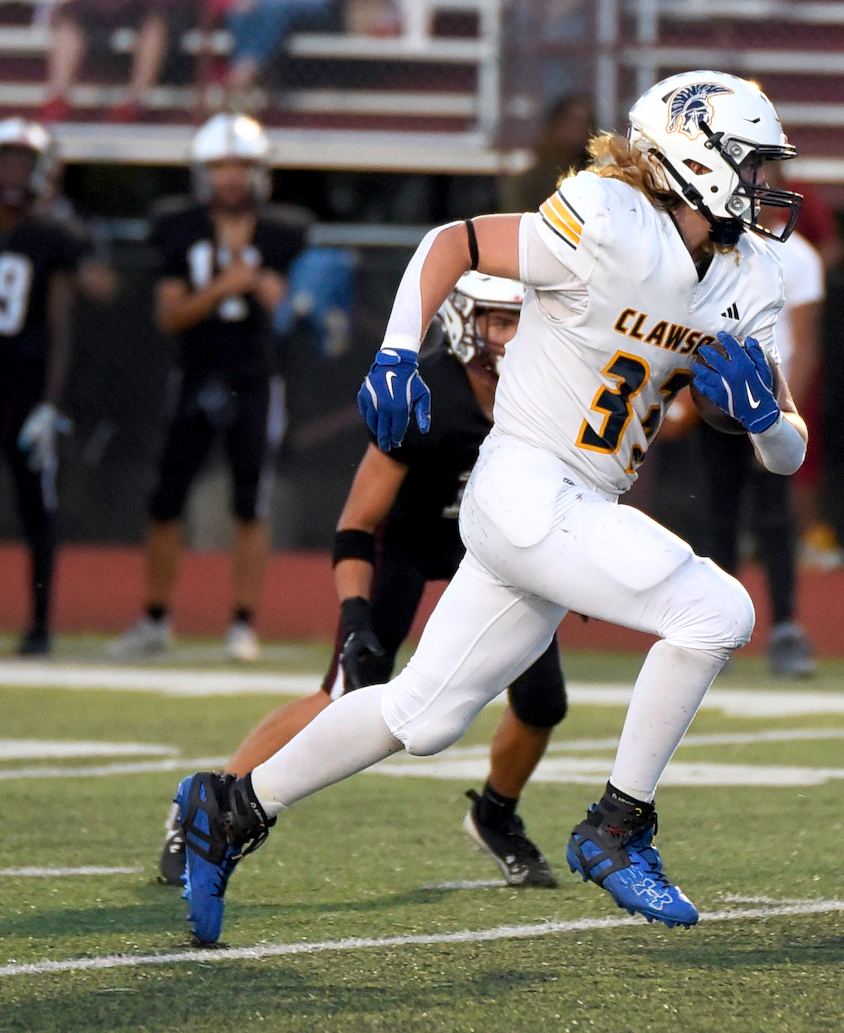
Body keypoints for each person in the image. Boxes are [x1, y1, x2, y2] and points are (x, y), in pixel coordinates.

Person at [172, 69, 808, 945]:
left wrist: (766, 420)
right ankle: (618, 825)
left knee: (423, 715)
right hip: (525, 482)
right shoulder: (609, 219)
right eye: (753, 159)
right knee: (717, 611)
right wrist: (397, 351)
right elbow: (453, 243)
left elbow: (786, 450)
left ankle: (229, 805)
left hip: (576, 500)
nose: (769, 179)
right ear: (695, 156)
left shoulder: (751, 273)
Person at [158, 272, 567, 889]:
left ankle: (495, 817)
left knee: (542, 701)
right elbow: (357, 523)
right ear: (465, 322)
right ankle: (208, 806)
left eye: (524, 321)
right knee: (348, 689)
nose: (516, 337)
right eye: (503, 321)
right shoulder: (430, 393)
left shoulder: (550, 394)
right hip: (405, 543)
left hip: (493, 553)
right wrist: (354, 615)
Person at [110, 114, 310, 662]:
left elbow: (288, 308)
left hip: (256, 376)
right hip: (194, 374)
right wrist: (226, 285)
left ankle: (243, 624)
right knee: (166, 498)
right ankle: (155, 618)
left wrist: (259, 284)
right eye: (220, 166)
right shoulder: (177, 225)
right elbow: (169, 315)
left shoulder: (283, 230)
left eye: (240, 165)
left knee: (251, 503)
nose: (230, 177)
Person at [697, 203, 823, 676]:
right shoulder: (701, 248)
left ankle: (785, 627)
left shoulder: (796, 255)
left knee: (775, 519)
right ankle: (716, 628)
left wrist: (783, 416)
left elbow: (804, 344)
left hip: (769, 397)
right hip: (714, 399)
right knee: (718, 515)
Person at [0, 118, 91, 655]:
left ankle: (39, 625)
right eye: (6, 161)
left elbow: (62, 324)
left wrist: (49, 403)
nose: (13, 173)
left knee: (37, 508)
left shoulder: (51, 235)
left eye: (22, 162)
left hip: (24, 390)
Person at [40, 0, 172, 123]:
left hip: (140, 7)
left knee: (155, 25)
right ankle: (58, 100)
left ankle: (135, 102)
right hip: (98, 6)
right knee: (69, 20)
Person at [499, 94, 594, 215]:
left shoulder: (596, 180)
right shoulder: (528, 183)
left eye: (583, 125)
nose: (576, 134)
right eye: (571, 124)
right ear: (554, 126)